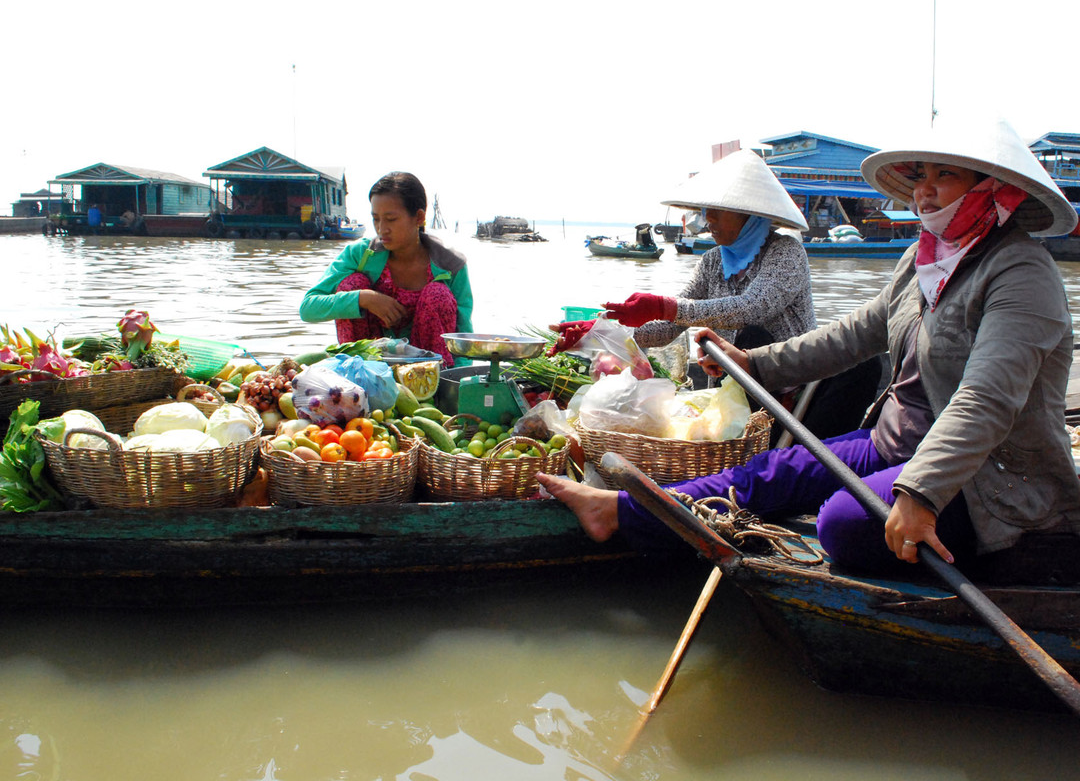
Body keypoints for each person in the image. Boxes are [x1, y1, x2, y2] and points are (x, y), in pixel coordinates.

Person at [538, 117, 1080, 575]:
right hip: (895, 440)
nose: (924, 190)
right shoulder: (923, 259)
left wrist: (921, 493)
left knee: (840, 524)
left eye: (945, 176)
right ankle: (620, 511)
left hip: (984, 472)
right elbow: (851, 335)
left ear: (993, 188)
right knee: (770, 473)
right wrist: (752, 362)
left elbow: (987, 397)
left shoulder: (1020, 272)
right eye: (920, 176)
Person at [551, 148, 880, 441]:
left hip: (791, 387)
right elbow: (669, 327)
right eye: (706, 210)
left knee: (853, 362)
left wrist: (666, 307)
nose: (708, 220)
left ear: (748, 215)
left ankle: (795, 453)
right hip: (735, 391)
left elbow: (750, 308)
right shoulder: (711, 263)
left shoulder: (786, 252)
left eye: (718, 211)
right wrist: (602, 333)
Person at [299, 172, 473, 368]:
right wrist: (364, 298)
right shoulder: (360, 255)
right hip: (369, 366)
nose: (382, 229)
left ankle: (438, 382)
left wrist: (460, 384)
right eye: (376, 219)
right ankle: (355, 370)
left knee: (438, 294)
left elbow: (463, 340)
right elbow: (308, 308)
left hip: (428, 372)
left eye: (391, 219)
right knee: (353, 284)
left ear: (419, 217)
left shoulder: (451, 265)